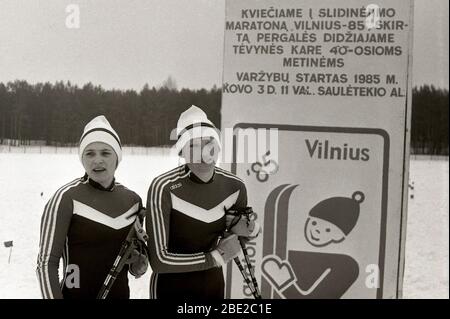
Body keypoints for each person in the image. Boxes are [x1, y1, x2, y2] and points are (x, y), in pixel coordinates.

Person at [146, 105, 260, 299]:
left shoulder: (234, 187)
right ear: (181, 152)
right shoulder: (163, 187)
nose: (203, 152)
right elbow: (159, 261)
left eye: (209, 143)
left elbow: (241, 235)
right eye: (192, 145)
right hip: (170, 288)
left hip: (213, 285)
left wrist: (250, 229)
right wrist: (215, 257)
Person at [36, 115, 148, 299]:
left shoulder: (132, 201)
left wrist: (139, 265)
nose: (97, 160)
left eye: (105, 153)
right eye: (90, 153)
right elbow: (46, 263)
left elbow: (136, 265)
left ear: (117, 157)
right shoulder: (65, 198)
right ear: (82, 158)